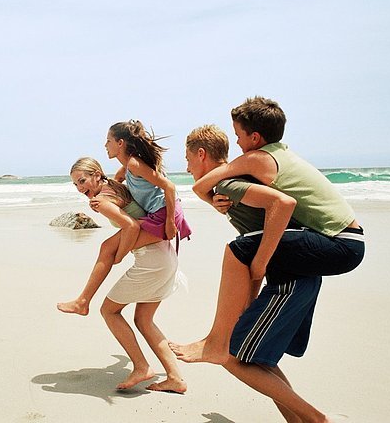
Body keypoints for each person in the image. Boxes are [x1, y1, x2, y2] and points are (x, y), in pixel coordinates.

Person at [172, 124, 360, 422]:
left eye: (187, 158)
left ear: (201, 154)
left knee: (231, 356)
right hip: (295, 273)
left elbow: (280, 209)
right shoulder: (228, 186)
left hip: (291, 281)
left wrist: (256, 274)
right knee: (258, 360)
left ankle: (315, 418)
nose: (186, 166)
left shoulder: (229, 184)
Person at [65, 157, 187, 393]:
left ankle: (141, 366)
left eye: (82, 180)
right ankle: (175, 378)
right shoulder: (117, 185)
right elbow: (123, 172)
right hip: (166, 258)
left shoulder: (103, 199)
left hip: (151, 261)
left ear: (97, 175)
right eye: (75, 184)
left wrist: (120, 255)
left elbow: (131, 226)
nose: (80, 188)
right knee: (143, 320)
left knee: (109, 311)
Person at [57, 120, 191, 315]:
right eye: (76, 184)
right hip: (159, 213)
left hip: (164, 213)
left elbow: (169, 187)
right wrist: (104, 195)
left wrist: (120, 255)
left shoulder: (134, 164)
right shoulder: (127, 168)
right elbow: (116, 181)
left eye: (108, 140)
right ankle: (82, 301)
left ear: (120, 143)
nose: (105, 145)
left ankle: (83, 302)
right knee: (108, 247)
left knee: (108, 248)